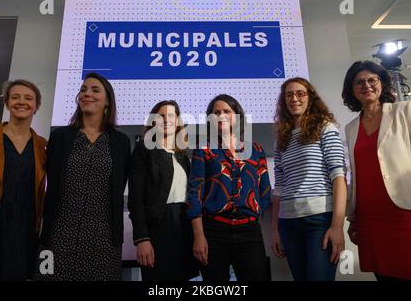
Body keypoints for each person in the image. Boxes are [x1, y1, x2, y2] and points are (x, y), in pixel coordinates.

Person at [34, 73, 131, 281]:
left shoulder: (120, 142)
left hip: (104, 238)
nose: (87, 94)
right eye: (84, 89)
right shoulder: (60, 137)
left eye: (95, 90)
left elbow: (118, 185)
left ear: (107, 102)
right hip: (57, 235)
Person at [342, 60, 411, 281]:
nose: (366, 85)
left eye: (372, 80)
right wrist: (353, 216)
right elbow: (355, 176)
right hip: (370, 216)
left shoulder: (405, 110)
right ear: (351, 90)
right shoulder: (350, 128)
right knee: (384, 274)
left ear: (382, 83)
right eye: (358, 82)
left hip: (408, 210)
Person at [187, 94, 272, 281]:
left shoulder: (256, 150)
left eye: (227, 111)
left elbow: (265, 190)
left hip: (249, 232)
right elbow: (194, 195)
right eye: (216, 112)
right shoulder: (204, 149)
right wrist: (199, 236)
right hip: (213, 232)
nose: (221, 115)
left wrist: (253, 212)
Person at [271, 77, 347, 281]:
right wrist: (276, 231)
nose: (294, 98)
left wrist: (337, 226)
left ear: (310, 97)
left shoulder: (325, 127)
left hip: (320, 221)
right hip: (288, 223)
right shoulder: (281, 138)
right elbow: (279, 187)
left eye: (300, 93)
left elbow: (339, 175)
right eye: (289, 95)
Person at [0, 80, 46, 280]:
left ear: (37, 106)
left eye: (28, 98)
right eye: (15, 97)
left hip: (24, 238)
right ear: (7, 103)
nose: (21, 102)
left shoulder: (43, 147)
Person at [128, 100, 198, 281]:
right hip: (158, 228)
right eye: (161, 116)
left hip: (184, 226)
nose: (166, 120)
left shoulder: (182, 155)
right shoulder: (144, 149)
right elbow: (135, 197)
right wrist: (142, 239)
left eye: (171, 116)